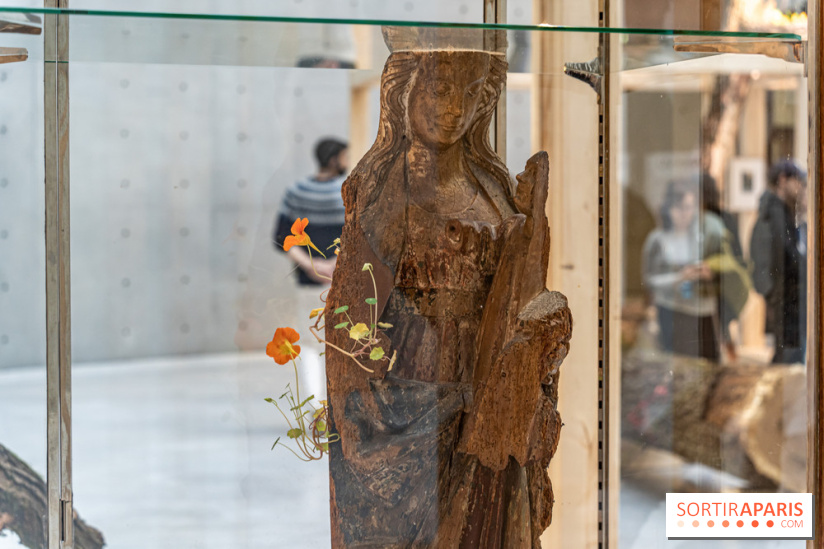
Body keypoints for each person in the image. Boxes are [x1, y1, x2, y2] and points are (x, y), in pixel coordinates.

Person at [642, 179, 725, 360]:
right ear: (668, 209)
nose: (684, 214)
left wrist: (708, 271)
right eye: (679, 208)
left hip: (703, 309)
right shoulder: (657, 239)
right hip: (673, 309)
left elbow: (723, 263)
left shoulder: (702, 235)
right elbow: (649, 280)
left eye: (689, 208)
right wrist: (679, 277)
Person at [750, 160, 806, 364]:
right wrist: (772, 294)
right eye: (797, 181)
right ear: (783, 180)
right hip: (784, 296)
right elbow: (781, 255)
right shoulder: (774, 211)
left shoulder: (779, 210)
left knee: (786, 353)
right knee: (788, 356)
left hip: (784, 295)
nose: (800, 187)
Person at [273, 138, 348, 285]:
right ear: (334, 160)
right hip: (344, 277)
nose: (348, 162)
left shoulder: (296, 190)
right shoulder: (349, 190)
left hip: (307, 276)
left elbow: (282, 237)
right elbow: (363, 236)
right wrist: (333, 265)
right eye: (345, 157)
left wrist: (312, 266)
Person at [700, 172, 745, 360]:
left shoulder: (710, 221)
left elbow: (735, 256)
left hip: (712, 286)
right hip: (715, 287)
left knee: (716, 334)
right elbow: (738, 255)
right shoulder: (724, 218)